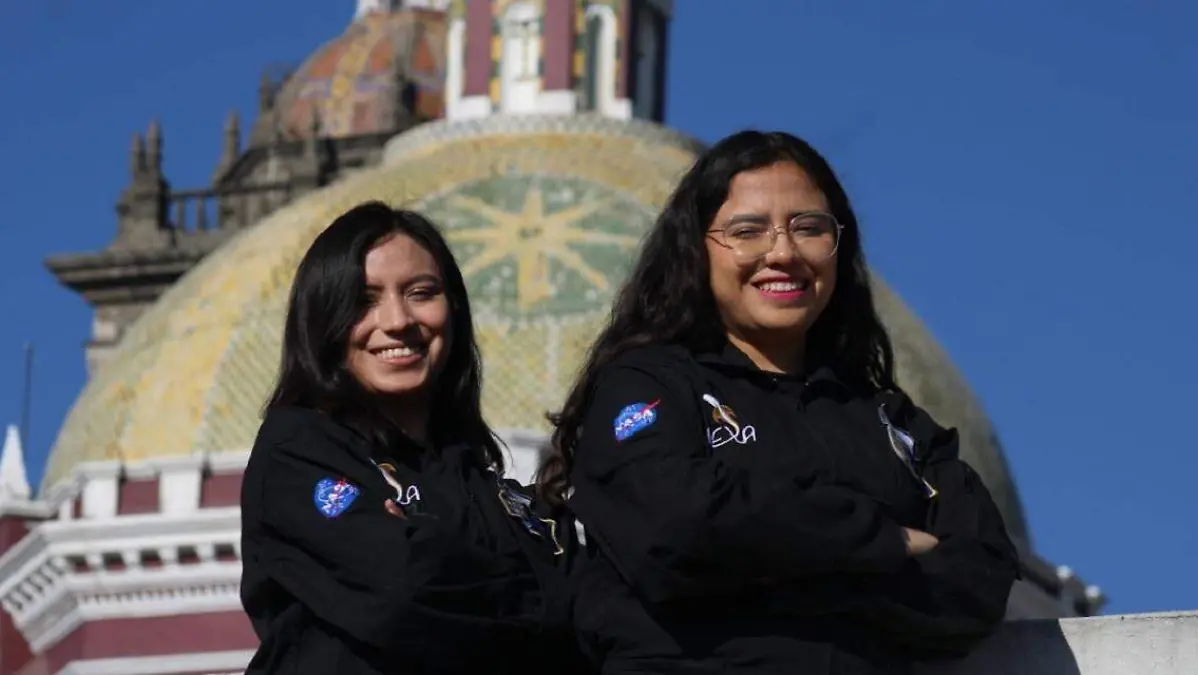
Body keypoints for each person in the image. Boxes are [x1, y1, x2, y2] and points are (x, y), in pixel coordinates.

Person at [537, 130, 1019, 674]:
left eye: (809, 228)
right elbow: (674, 528)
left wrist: (776, 561)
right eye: (747, 231)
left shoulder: (890, 418)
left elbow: (980, 574)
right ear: (696, 249)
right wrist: (882, 540)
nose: (783, 253)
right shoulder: (647, 385)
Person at [240, 202, 584, 674]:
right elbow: (399, 593)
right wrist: (538, 592)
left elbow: (590, 611)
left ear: (454, 310)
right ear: (323, 319)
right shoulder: (298, 451)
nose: (398, 319)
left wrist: (436, 548)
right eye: (364, 301)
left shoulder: (486, 484)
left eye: (422, 293)